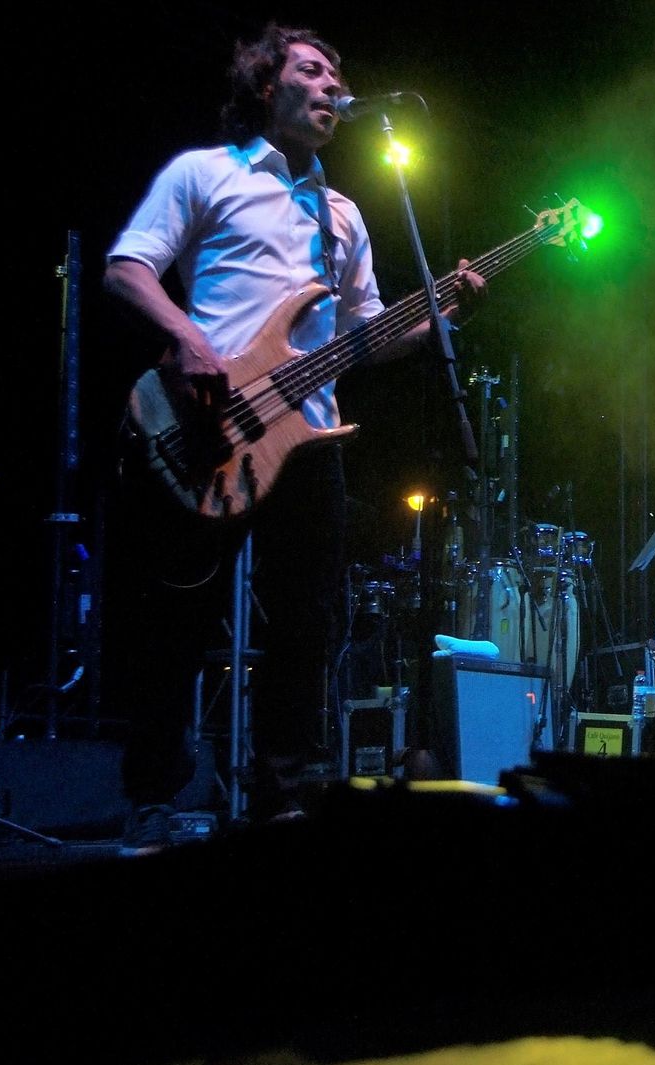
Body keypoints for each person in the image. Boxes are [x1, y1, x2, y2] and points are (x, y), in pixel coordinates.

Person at [103, 23, 483, 853]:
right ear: (265, 85)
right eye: (311, 70)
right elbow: (128, 267)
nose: (331, 85)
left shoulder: (342, 214)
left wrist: (439, 309)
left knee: (306, 622)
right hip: (206, 425)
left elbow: (368, 334)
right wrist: (190, 339)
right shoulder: (206, 173)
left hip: (308, 439)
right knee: (181, 620)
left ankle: (282, 792)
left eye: (337, 74)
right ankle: (153, 797)